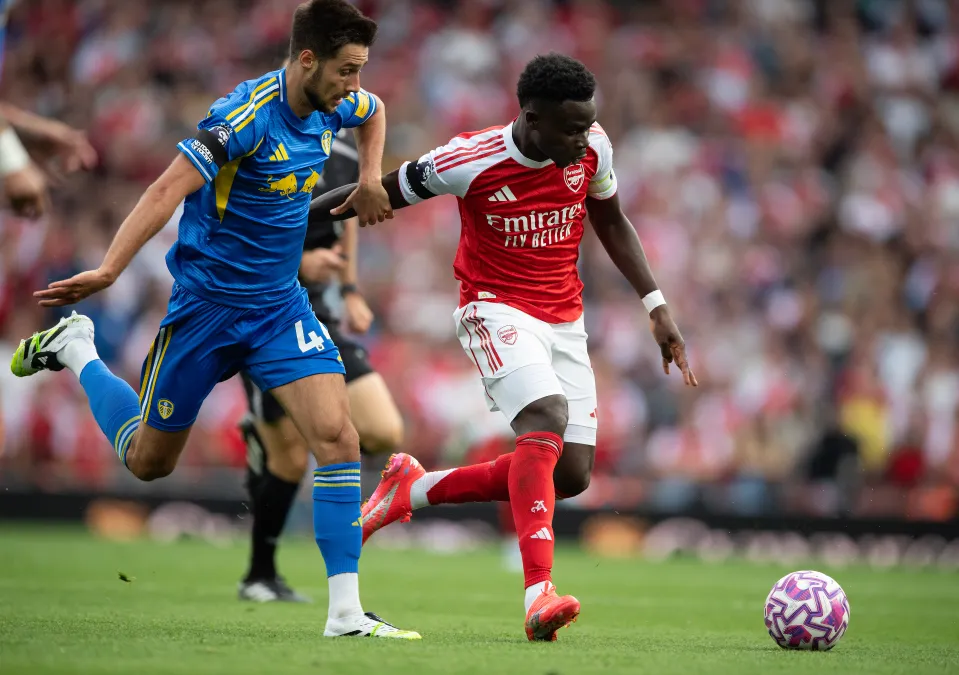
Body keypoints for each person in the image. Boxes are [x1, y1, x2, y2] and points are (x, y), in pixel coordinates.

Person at [10, 0, 418, 640]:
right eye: (346, 70)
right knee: (149, 462)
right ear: (306, 59)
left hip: (279, 307)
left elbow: (376, 114)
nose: (355, 86)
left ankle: (344, 614)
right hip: (205, 309)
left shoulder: (341, 102)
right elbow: (164, 190)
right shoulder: (242, 118)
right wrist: (111, 270)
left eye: (361, 69)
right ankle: (77, 349)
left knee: (337, 439)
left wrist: (370, 179)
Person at [310, 52, 698, 641]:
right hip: (493, 308)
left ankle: (411, 489)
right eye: (569, 128)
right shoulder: (469, 158)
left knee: (568, 475)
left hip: (564, 318)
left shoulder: (593, 145)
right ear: (531, 118)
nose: (582, 138)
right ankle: (538, 594)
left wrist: (656, 305)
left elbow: (612, 219)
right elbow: (374, 194)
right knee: (544, 418)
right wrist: (279, 230)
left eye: (586, 124)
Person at [238, 127, 405, 603]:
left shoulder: (351, 142)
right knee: (289, 458)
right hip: (262, 310)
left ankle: (268, 434)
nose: (350, 87)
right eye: (345, 73)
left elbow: (348, 213)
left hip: (319, 315)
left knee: (382, 429)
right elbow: (240, 228)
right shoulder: (265, 135)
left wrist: (350, 288)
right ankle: (259, 574)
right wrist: (298, 264)